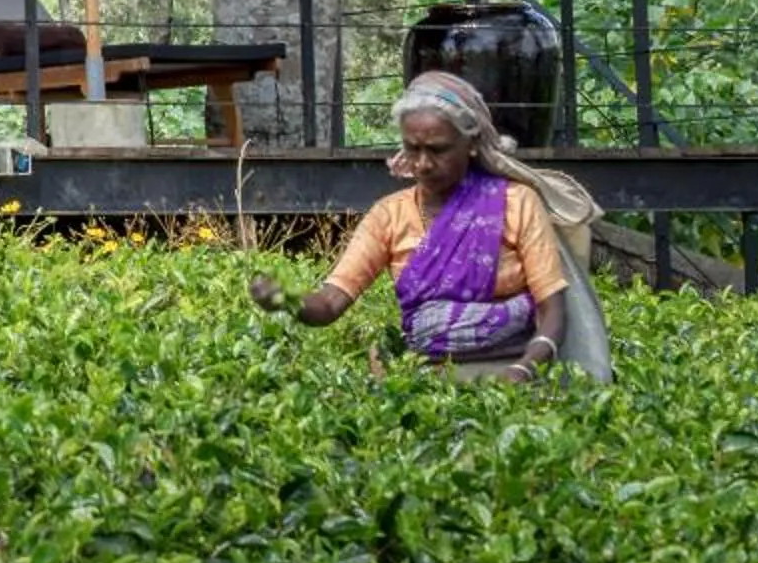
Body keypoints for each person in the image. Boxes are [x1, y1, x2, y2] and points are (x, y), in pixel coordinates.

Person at [249, 70, 611, 382]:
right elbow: (329, 303)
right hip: (426, 380)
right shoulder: (388, 215)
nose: (422, 164)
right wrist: (286, 299)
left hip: (515, 372)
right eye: (412, 148)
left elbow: (552, 309)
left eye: (438, 150)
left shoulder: (515, 204)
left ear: (470, 144)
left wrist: (525, 369)